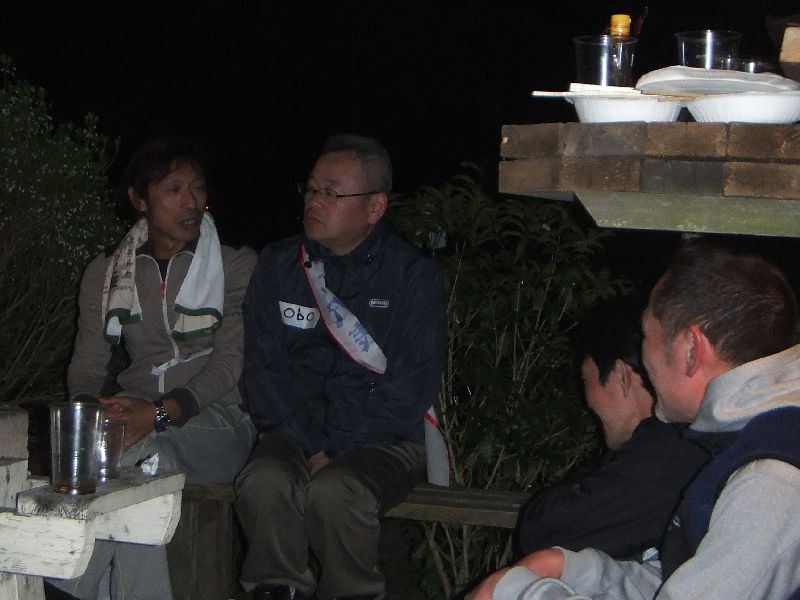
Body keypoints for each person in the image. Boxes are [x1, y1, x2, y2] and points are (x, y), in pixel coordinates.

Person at [471, 239, 800, 600]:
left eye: (647, 336)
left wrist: (516, 592)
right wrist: (575, 569)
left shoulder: (769, 481)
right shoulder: (745, 438)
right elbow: (682, 578)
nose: (642, 360)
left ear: (692, 350)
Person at [235, 134, 447, 600]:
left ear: (375, 207)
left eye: (331, 193)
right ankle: (277, 589)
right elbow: (264, 372)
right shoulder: (279, 265)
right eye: (311, 189)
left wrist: (336, 447)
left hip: (384, 440)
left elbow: (409, 389)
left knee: (337, 492)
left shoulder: (412, 276)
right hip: (295, 432)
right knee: (264, 481)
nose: (314, 201)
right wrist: (312, 446)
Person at [49, 137, 258, 599]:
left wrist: (160, 413)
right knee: (122, 459)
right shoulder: (108, 272)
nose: (191, 202)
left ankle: (65, 587)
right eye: (173, 189)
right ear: (139, 199)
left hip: (220, 421)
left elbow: (231, 362)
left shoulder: (234, 264)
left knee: (132, 456)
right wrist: (92, 411)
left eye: (197, 187)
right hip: (137, 411)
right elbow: (87, 363)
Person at [515, 299, 708, 561]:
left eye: (586, 379)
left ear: (621, 376)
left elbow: (544, 530)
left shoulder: (671, 454)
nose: (587, 400)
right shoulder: (682, 442)